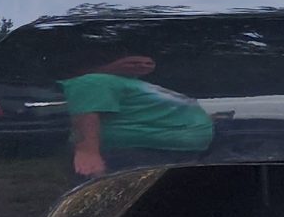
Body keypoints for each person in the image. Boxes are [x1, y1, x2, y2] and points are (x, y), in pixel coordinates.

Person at [61, 53, 215, 176]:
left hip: (176, 151)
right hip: (141, 154)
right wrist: (88, 152)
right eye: (133, 62)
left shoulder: (126, 82)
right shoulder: (92, 81)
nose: (143, 65)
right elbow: (85, 113)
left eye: (148, 62)